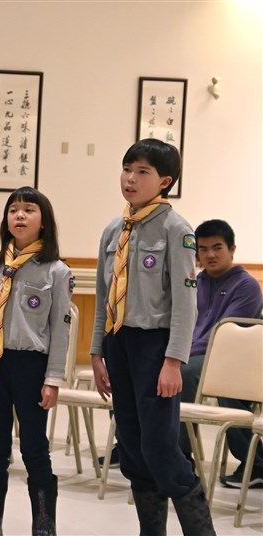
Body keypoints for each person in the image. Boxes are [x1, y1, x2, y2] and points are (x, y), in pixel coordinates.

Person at [90, 139, 215, 535]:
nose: (130, 178)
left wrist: (173, 361)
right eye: (127, 169)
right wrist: (96, 353)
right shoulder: (114, 230)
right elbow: (103, 296)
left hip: (155, 348)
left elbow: (185, 304)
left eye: (142, 172)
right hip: (118, 344)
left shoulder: (177, 230)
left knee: (159, 447)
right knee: (131, 445)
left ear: (165, 181)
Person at [0, 187, 70, 536]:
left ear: (44, 221)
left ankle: (44, 523)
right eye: (13, 210)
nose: (19, 215)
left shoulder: (56, 271)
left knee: (35, 447)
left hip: (32, 366)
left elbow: (60, 330)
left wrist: (53, 378)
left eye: (28, 210)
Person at [179, 219, 263, 488]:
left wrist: (179, 354)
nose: (210, 255)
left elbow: (222, 336)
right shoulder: (193, 283)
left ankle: (180, 458)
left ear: (232, 249)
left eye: (217, 247)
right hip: (194, 355)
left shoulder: (247, 286)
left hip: (228, 359)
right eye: (203, 249)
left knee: (183, 372)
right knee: (141, 366)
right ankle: (133, 446)